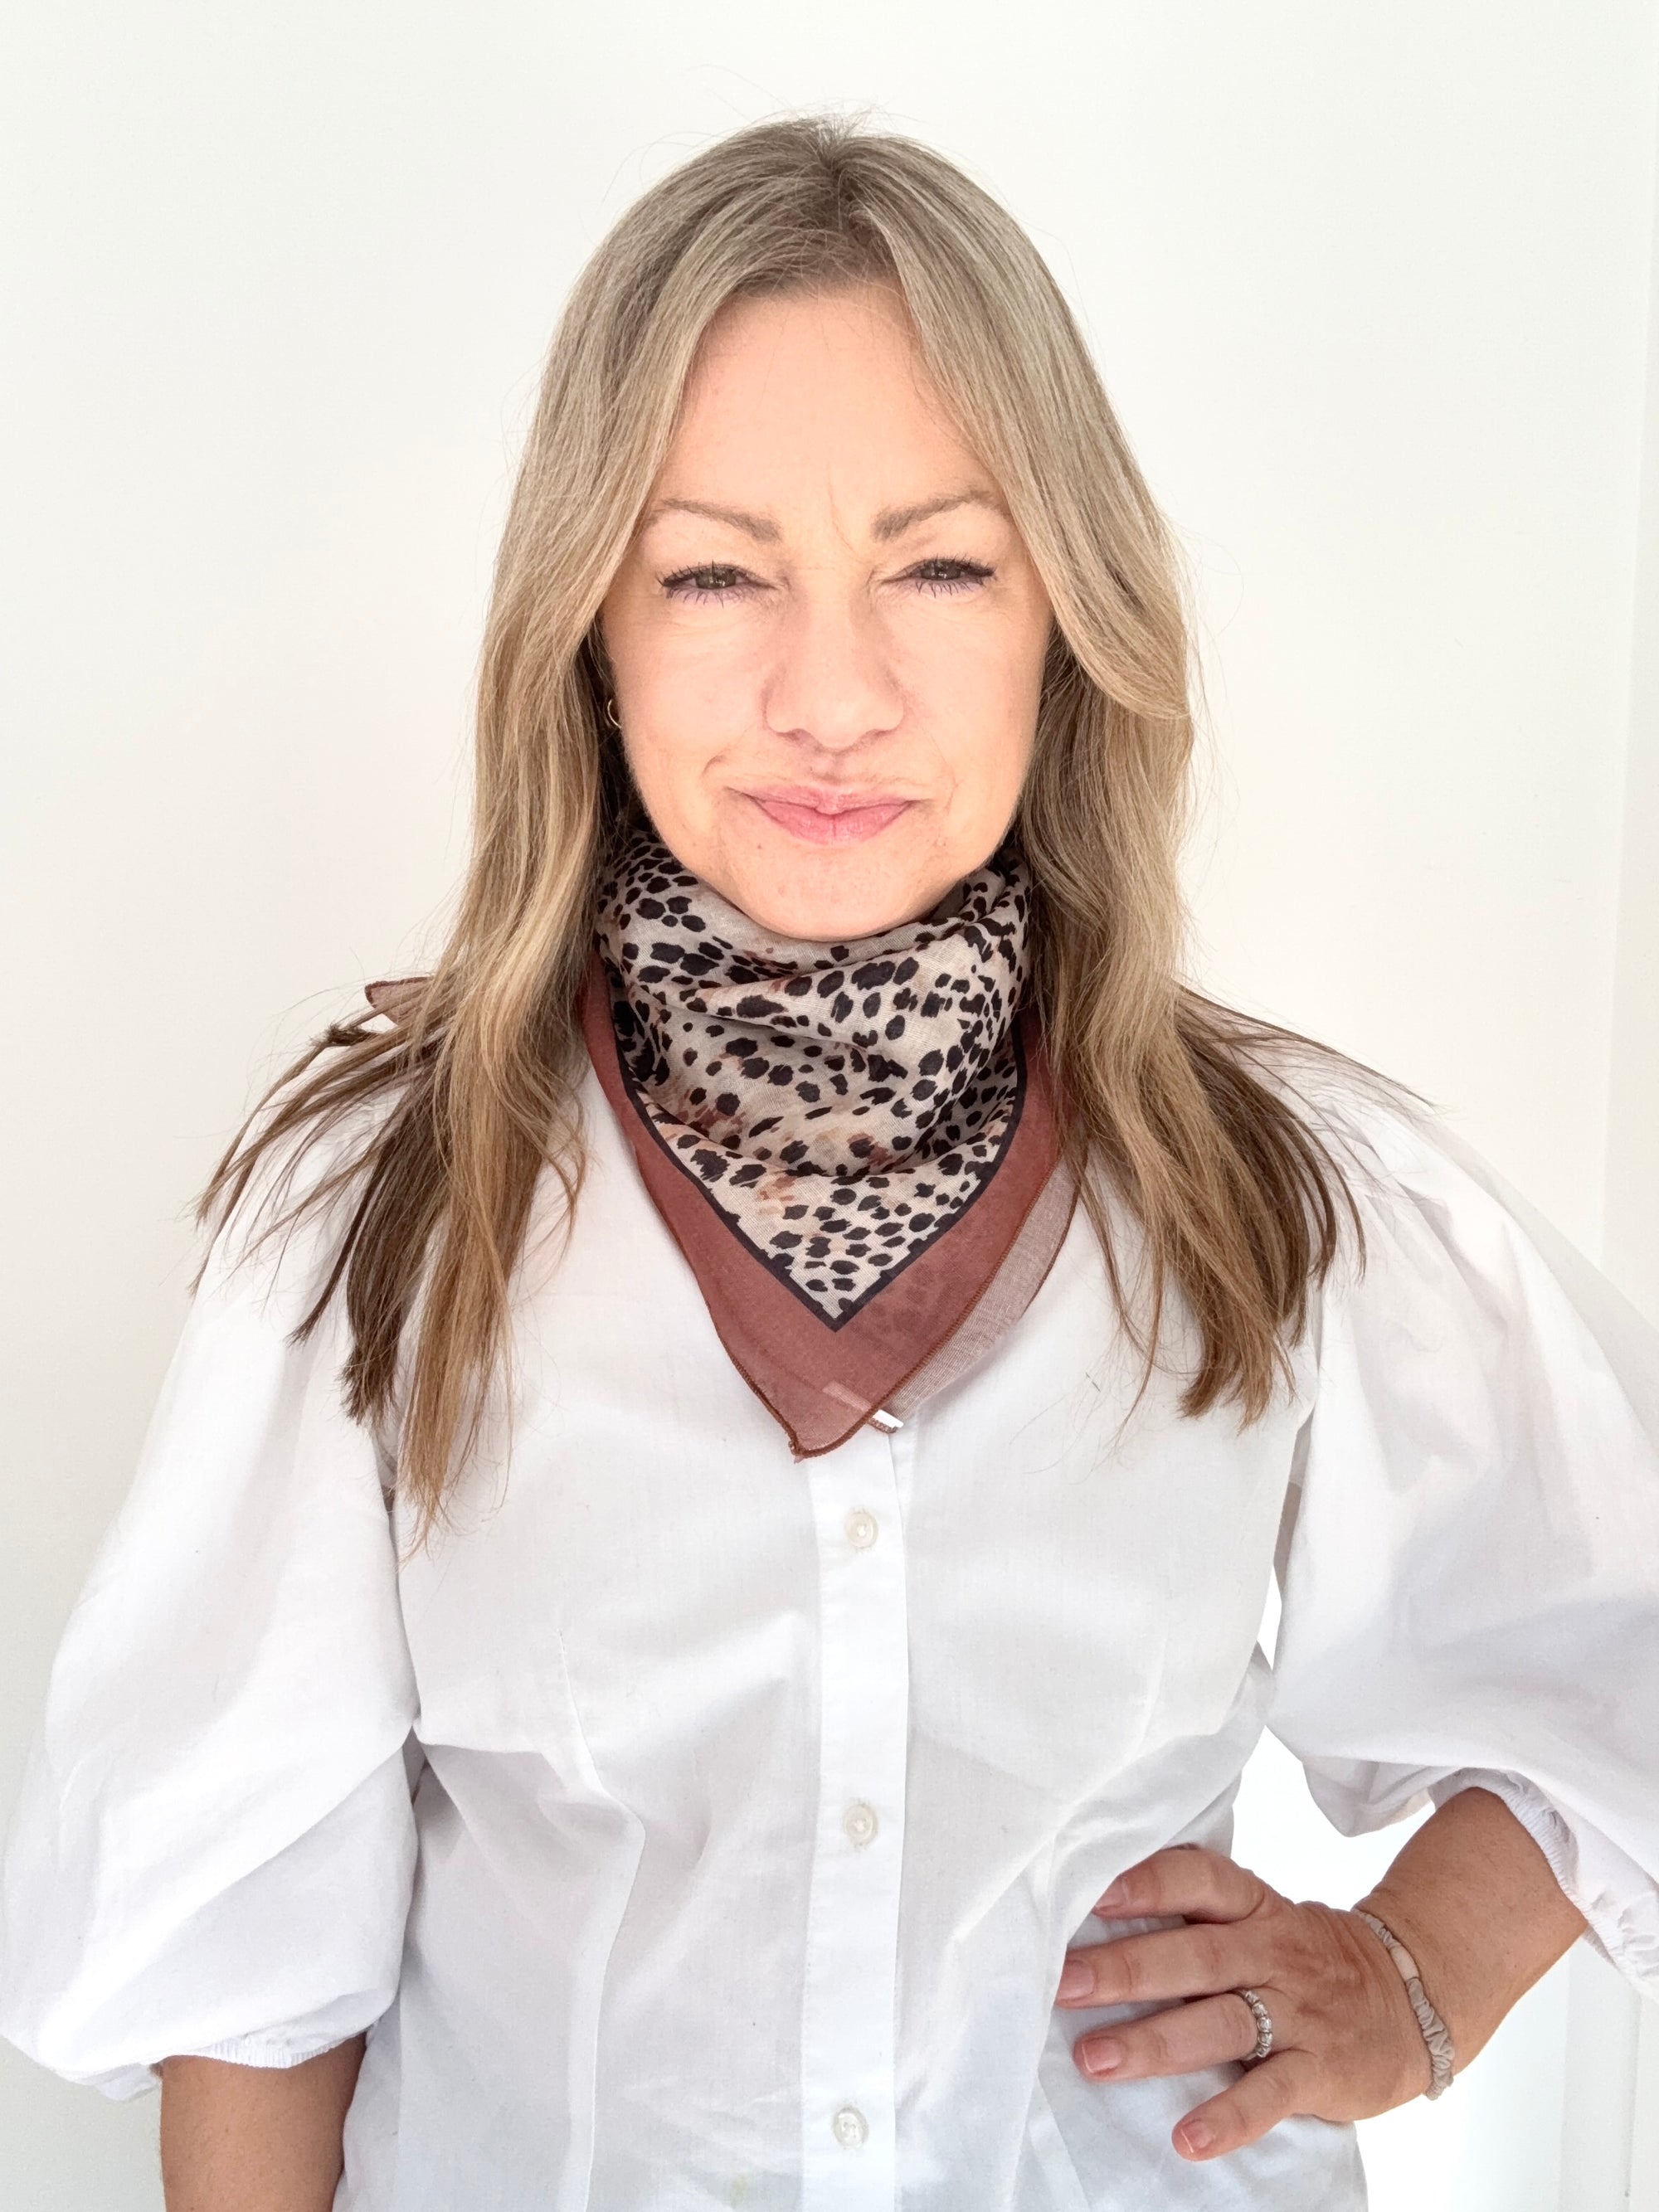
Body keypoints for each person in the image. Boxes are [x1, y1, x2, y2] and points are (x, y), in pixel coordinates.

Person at [2, 114, 1656, 2212]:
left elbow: (1621, 1642)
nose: (832, 691)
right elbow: (250, 1988)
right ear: (587, 630)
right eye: (715, 571)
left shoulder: (1288, 1196)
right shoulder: (383, 1221)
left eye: (940, 565)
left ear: (1069, 611)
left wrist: (1417, 1979)